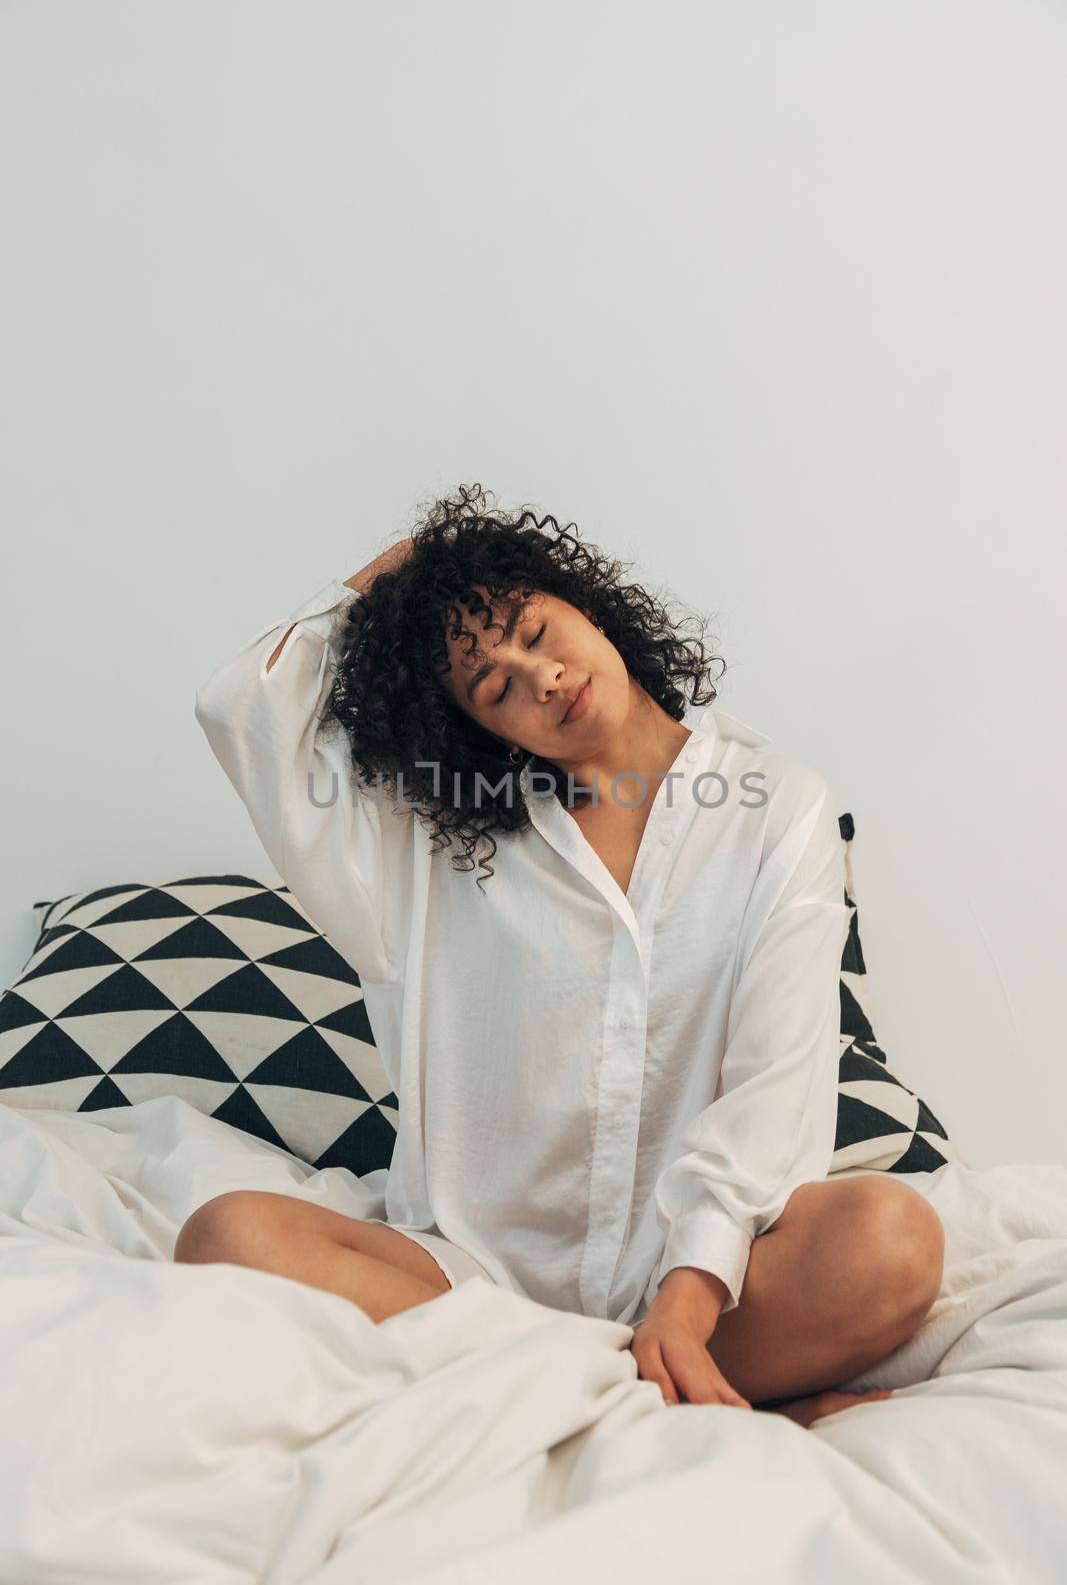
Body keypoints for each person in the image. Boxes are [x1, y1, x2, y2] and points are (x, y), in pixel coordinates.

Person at [177, 483, 943, 1428]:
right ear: (476, 726)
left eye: (532, 631)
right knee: (227, 1236)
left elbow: (774, 1078)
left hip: (701, 1287)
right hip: (465, 1282)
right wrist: (419, 563)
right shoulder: (423, 849)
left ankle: (584, 1381)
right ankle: (656, 1398)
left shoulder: (775, 805)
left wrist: (689, 1293)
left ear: (582, 602)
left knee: (890, 1240)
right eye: (492, 686)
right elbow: (242, 708)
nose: (537, 677)